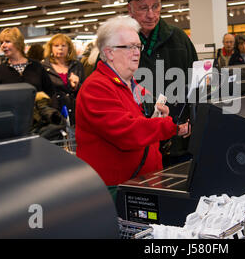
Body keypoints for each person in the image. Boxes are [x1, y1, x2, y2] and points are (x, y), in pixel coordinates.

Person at [75, 16, 191, 200]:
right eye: (129, 47)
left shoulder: (134, 86)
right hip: (112, 193)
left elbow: (144, 125)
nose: (137, 52)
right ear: (109, 52)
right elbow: (127, 132)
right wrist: (171, 127)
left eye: (138, 47)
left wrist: (160, 118)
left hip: (143, 185)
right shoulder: (95, 88)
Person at [127, 0, 198, 166]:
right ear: (130, 9)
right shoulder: (120, 43)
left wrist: (194, 118)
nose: (151, 14)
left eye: (155, 6)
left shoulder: (179, 39)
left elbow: (198, 82)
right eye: (143, 8)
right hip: (138, 145)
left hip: (179, 140)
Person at [0, 27, 54, 97]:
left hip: (36, 107)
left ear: (18, 43)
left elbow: (50, 92)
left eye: (7, 41)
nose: (3, 45)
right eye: (1, 43)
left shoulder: (37, 66)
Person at [42, 34, 85, 125]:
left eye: (63, 45)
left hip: (76, 114)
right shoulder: (43, 67)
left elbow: (86, 90)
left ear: (69, 48)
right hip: (55, 114)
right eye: (56, 46)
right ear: (51, 48)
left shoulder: (77, 65)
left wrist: (77, 86)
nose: (60, 48)